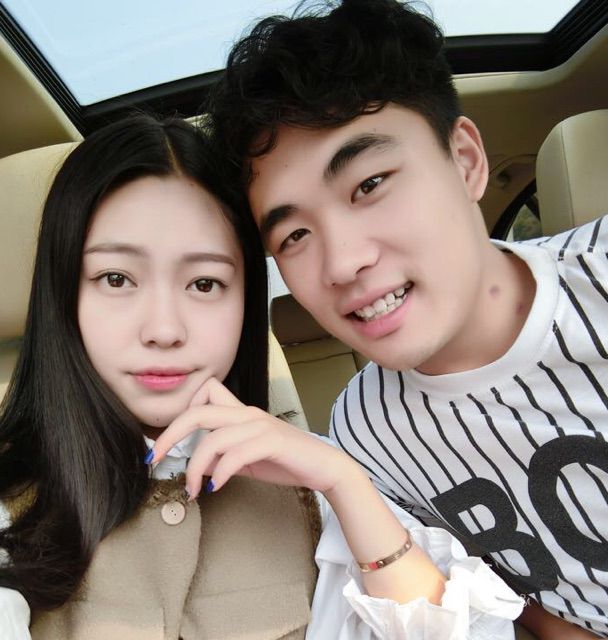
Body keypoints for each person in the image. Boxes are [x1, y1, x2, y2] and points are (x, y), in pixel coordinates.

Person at [0, 113, 521, 639]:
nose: (164, 329)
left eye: (205, 284)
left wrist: (346, 486)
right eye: (116, 279)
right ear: (63, 294)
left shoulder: (313, 485)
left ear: (246, 303)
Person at [203, 0, 608, 638]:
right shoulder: (365, 434)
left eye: (370, 185)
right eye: (295, 235)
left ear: (466, 161)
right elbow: (529, 611)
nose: (343, 262)